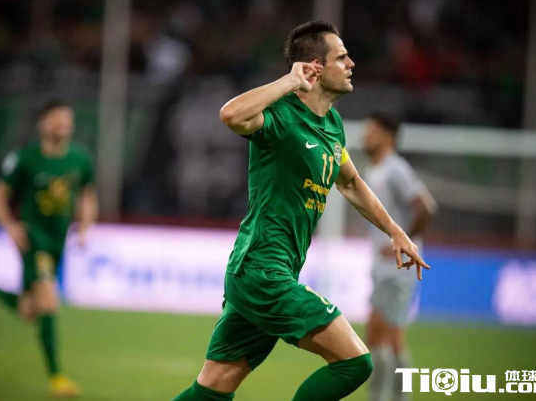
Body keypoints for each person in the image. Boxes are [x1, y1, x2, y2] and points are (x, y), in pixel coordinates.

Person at [169, 20, 430, 401]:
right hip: (263, 270)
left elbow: (350, 182)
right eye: (342, 58)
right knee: (356, 362)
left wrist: (395, 230)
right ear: (315, 68)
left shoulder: (333, 125)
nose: (352, 64)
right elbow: (231, 115)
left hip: (269, 272)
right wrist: (289, 81)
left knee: (215, 385)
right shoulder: (281, 115)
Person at [0, 99, 98, 397]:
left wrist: (85, 227)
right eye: (57, 119)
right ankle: (57, 376)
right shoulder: (25, 159)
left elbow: (87, 195)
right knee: (48, 302)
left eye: (67, 120)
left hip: (58, 240)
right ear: (42, 123)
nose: (63, 125)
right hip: (34, 240)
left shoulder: (81, 158)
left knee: (29, 311)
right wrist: (12, 227)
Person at [362, 113, 436, 401]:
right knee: (392, 339)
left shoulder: (395, 169)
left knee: (376, 335)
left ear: (388, 136)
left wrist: (404, 241)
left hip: (398, 266)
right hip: (387, 265)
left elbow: (426, 207)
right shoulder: (374, 169)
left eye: (371, 131)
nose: (365, 136)